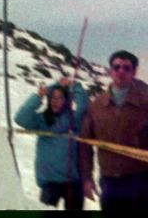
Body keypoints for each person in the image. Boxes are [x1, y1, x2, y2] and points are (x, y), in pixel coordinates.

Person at [79, 49, 148, 211]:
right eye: (116, 67)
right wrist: (86, 178)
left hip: (141, 181)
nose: (121, 71)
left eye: (126, 68)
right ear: (110, 71)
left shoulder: (147, 105)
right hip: (110, 181)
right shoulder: (97, 105)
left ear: (134, 72)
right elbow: (85, 145)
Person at [14, 77, 90, 211]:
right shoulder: (42, 120)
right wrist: (39, 96)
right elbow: (21, 118)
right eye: (53, 98)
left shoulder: (75, 119)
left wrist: (75, 86)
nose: (56, 101)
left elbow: (84, 106)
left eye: (60, 98)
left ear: (67, 100)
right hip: (49, 182)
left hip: (73, 182)